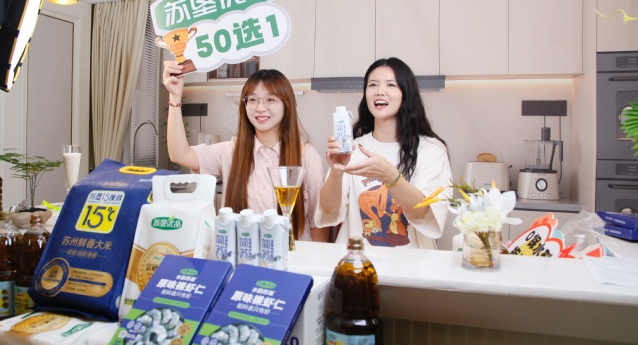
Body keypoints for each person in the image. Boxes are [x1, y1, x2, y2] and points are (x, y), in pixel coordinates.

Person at [163, 61, 328, 242]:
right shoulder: (230, 151)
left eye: (270, 100)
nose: (260, 108)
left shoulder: (307, 156)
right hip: (242, 255)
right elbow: (180, 155)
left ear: (286, 105)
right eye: (253, 100)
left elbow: (318, 223)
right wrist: (175, 97)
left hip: (293, 257)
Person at [316, 57, 451, 249]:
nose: (380, 91)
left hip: (413, 265)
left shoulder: (431, 150)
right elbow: (329, 211)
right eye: (373, 85)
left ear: (406, 93)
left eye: (390, 85)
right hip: (356, 261)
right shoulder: (352, 148)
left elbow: (422, 212)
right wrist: (336, 172)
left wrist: (390, 176)